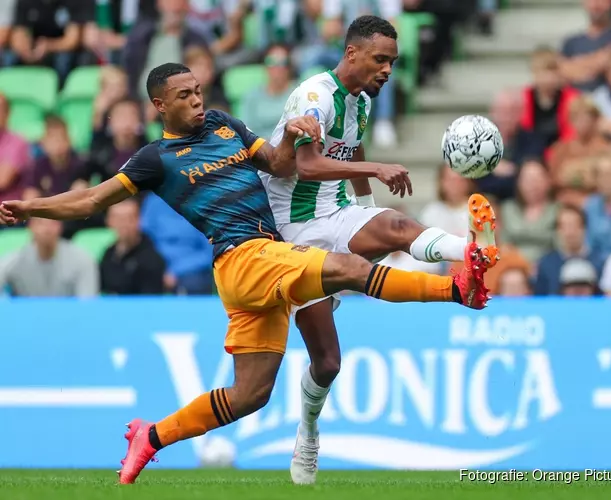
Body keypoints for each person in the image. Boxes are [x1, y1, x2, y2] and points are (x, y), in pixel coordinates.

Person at [0, 62, 493, 485]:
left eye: (197, 91)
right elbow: (90, 200)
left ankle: (150, 437)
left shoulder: (222, 125)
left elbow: (279, 167)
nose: (197, 101)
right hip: (243, 256)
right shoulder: (155, 158)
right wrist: (29, 208)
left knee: (250, 394)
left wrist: (294, 133)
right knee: (348, 268)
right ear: (158, 105)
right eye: (183, 96)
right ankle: (457, 289)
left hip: (259, 262)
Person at [258, 15, 500, 485]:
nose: (388, 69)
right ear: (351, 54)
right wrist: (378, 167)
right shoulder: (314, 97)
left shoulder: (362, 103)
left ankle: (470, 252)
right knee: (327, 361)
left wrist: (369, 214)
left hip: (337, 213)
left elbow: (351, 154)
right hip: (290, 233)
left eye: (393, 61)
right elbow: (306, 166)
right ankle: (307, 432)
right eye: (380, 59)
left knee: (396, 223)